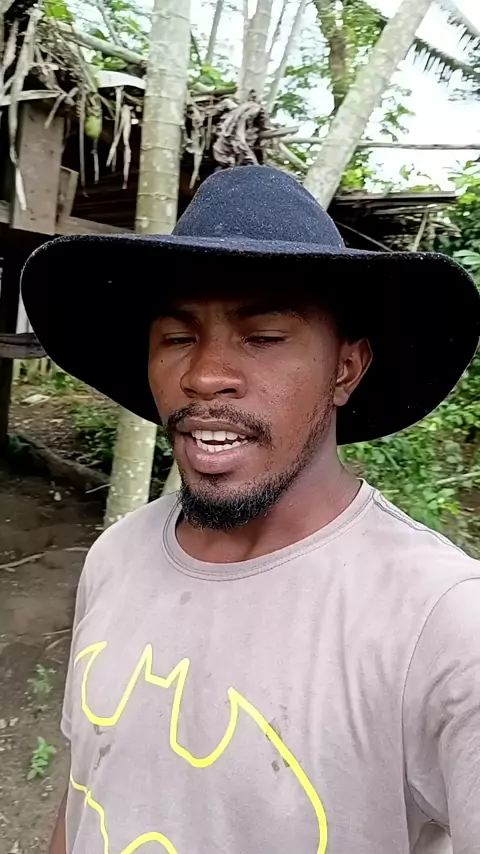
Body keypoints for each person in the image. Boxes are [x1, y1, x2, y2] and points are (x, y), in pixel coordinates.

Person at [21, 165, 480, 854]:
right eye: (177, 339)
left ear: (345, 369)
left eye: (263, 337)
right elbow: (89, 789)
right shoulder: (118, 555)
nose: (204, 376)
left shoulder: (441, 624)